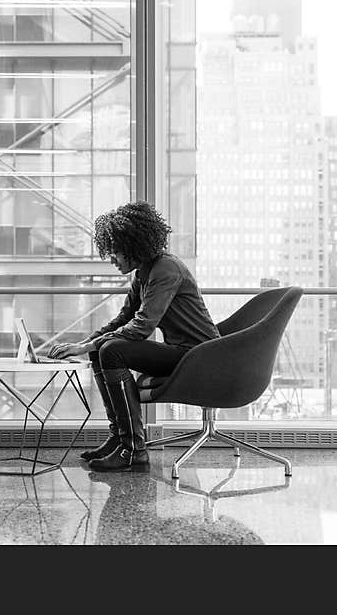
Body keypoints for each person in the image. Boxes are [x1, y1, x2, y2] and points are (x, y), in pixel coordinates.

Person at [48, 201, 219, 472]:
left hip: (200, 357)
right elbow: (122, 320)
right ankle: (119, 438)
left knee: (110, 350)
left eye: (114, 251)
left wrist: (88, 346)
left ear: (132, 246)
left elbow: (142, 326)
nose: (111, 258)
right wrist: (83, 345)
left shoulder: (166, 269)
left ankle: (133, 449)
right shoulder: (144, 273)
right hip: (182, 353)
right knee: (101, 349)